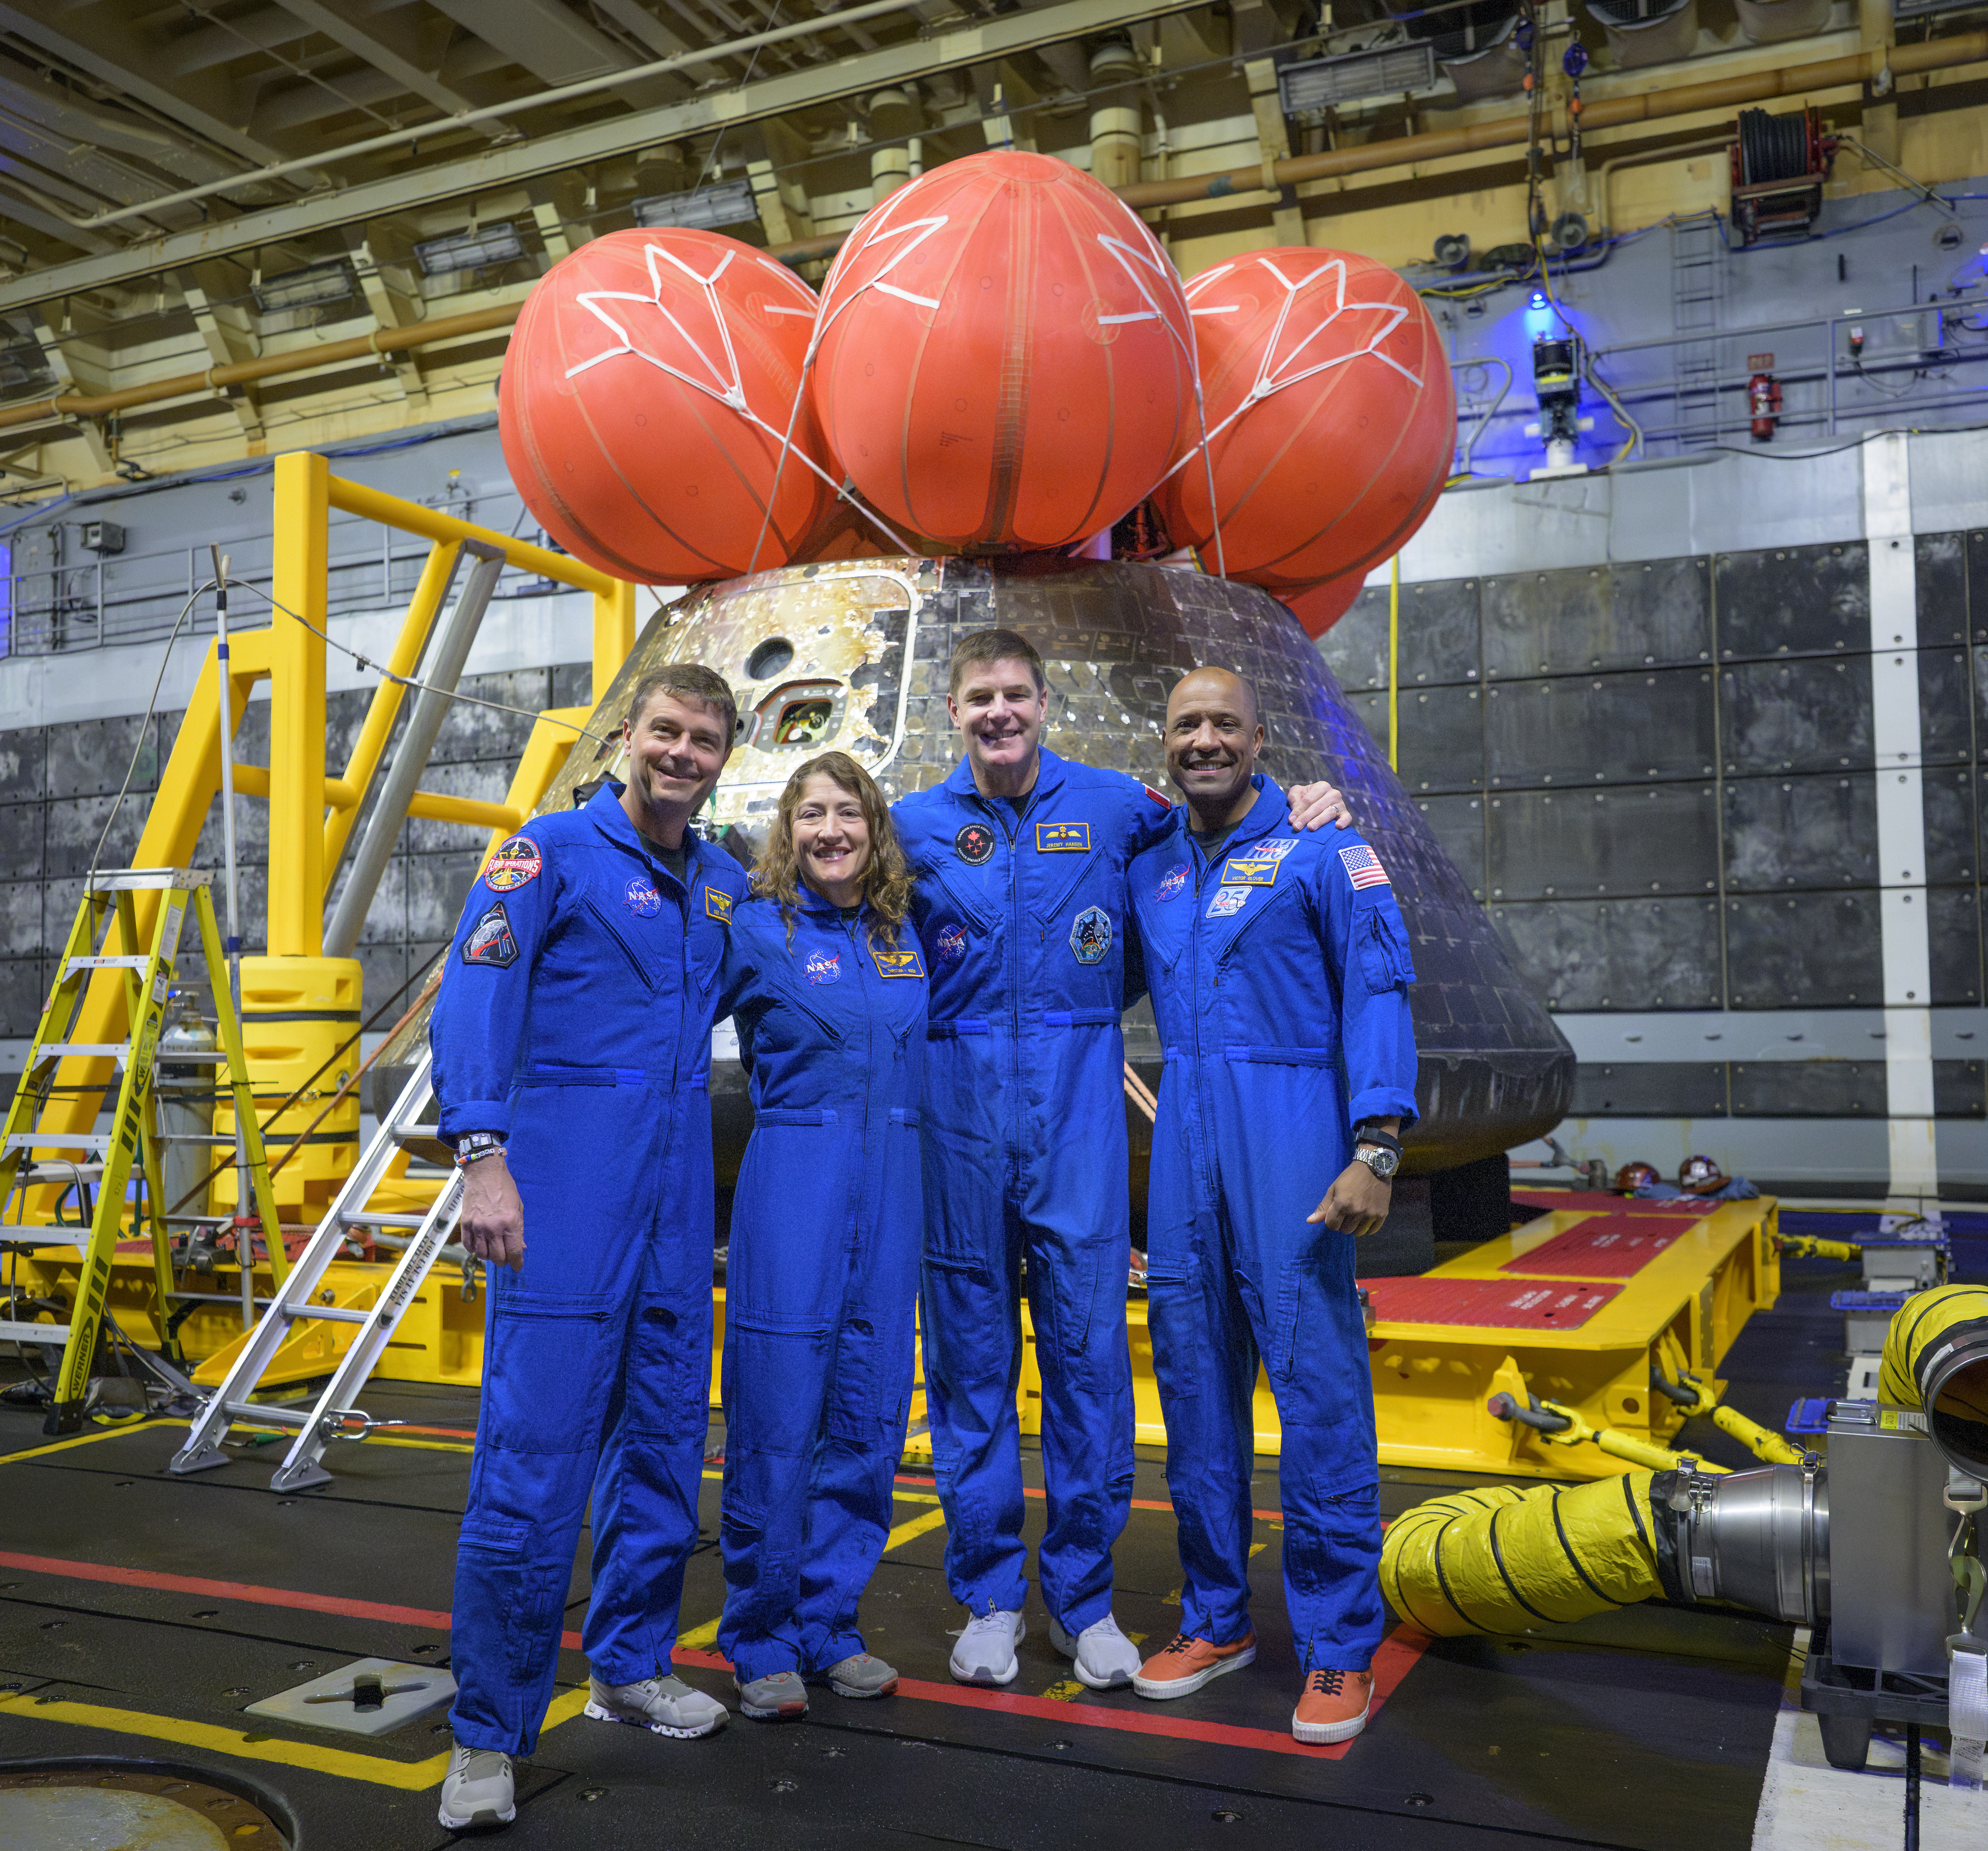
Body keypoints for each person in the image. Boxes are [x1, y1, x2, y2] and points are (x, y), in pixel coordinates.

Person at [890, 630, 1351, 1691]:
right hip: (955, 1114)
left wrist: (1312, 796)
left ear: (1045, 703)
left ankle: (1085, 1599)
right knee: (969, 1369)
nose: (999, 712)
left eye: (1016, 694)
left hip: (1079, 1113)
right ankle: (992, 1597)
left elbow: (1225, 813)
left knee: (1090, 1365)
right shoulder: (910, 829)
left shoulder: (1116, 808)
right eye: (980, 698)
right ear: (953, 713)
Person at [430, 664, 749, 1833]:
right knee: (534, 1461)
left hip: (672, 1197)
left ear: (724, 757)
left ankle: (629, 1662)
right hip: (561, 1181)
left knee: (664, 1438)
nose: (681, 753)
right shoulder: (545, 851)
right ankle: (486, 1731)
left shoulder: (722, 881)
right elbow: (474, 998)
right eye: (666, 730)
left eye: (704, 739)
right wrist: (482, 1152)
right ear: (629, 735)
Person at [1124, 665, 1418, 1746]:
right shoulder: (1150, 864)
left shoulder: (1324, 847)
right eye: (1186, 725)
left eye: (1223, 724)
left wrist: (1376, 1144)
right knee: (1195, 1391)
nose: (1204, 740)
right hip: (1189, 1136)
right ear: (1167, 742)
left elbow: (1381, 987)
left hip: (1296, 1131)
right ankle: (1216, 1620)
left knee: (1318, 1388)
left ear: (1259, 738)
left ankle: (1340, 1648)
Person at [713, 751, 926, 1721]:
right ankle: (759, 1633)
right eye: (811, 814)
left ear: (875, 827)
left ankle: (831, 1620)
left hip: (894, 1179)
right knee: (777, 1407)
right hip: (795, 1174)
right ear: (786, 831)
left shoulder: (902, 930)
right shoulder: (754, 929)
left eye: (849, 812)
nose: (831, 830)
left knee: (871, 1405)